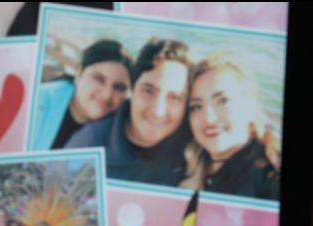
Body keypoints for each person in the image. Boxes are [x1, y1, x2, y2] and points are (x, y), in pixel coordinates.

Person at [66, 38, 192, 187]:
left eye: (175, 97)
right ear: (131, 91)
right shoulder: (87, 146)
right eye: (148, 91)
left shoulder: (194, 147)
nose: (158, 111)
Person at [180, 53, 280, 200]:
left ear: (250, 104)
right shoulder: (189, 161)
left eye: (223, 100)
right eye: (196, 106)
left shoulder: (268, 178)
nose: (209, 118)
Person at [33, 39, 133, 149]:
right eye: (99, 79)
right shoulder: (36, 103)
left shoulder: (121, 131)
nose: (107, 95)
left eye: (119, 87)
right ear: (79, 73)